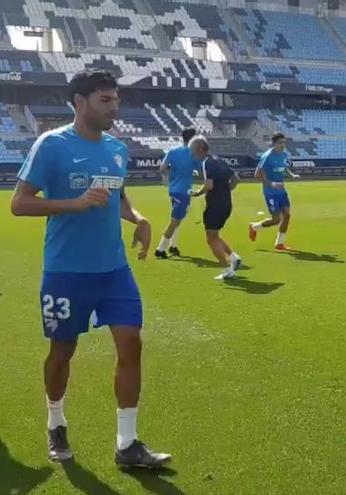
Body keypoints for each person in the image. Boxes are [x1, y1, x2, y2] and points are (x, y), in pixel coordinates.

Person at [10, 69, 171, 467]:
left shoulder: (117, 148)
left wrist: (139, 218)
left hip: (113, 270)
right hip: (66, 271)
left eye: (115, 100)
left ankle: (127, 444)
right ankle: (56, 422)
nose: (113, 108)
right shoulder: (51, 145)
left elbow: (118, 196)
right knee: (63, 350)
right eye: (105, 100)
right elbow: (20, 203)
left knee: (131, 343)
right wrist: (73, 204)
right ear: (79, 102)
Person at [189, 136, 242, 280]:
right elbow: (236, 178)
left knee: (211, 239)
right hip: (226, 204)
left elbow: (209, 185)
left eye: (192, 150)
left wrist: (197, 193)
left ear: (200, 149)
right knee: (215, 235)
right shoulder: (219, 160)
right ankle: (233, 257)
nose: (191, 154)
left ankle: (227, 269)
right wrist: (225, 191)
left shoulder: (207, 163)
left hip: (215, 206)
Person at [249, 132, 297, 250]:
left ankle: (279, 243)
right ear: (273, 143)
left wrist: (291, 175)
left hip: (282, 192)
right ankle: (254, 227)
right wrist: (272, 184)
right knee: (276, 220)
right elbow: (257, 175)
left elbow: (284, 167)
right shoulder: (267, 156)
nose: (283, 145)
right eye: (280, 143)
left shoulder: (283, 154)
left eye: (284, 142)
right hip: (270, 193)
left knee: (287, 215)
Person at [155, 127, 198, 259]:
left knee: (178, 218)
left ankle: (173, 246)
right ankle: (160, 249)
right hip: (183, 191)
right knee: (174, 220)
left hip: (173, 190)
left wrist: (168, 176)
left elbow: (162, 168)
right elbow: (200, 168)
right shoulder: (193, 153)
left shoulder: (173, 151)